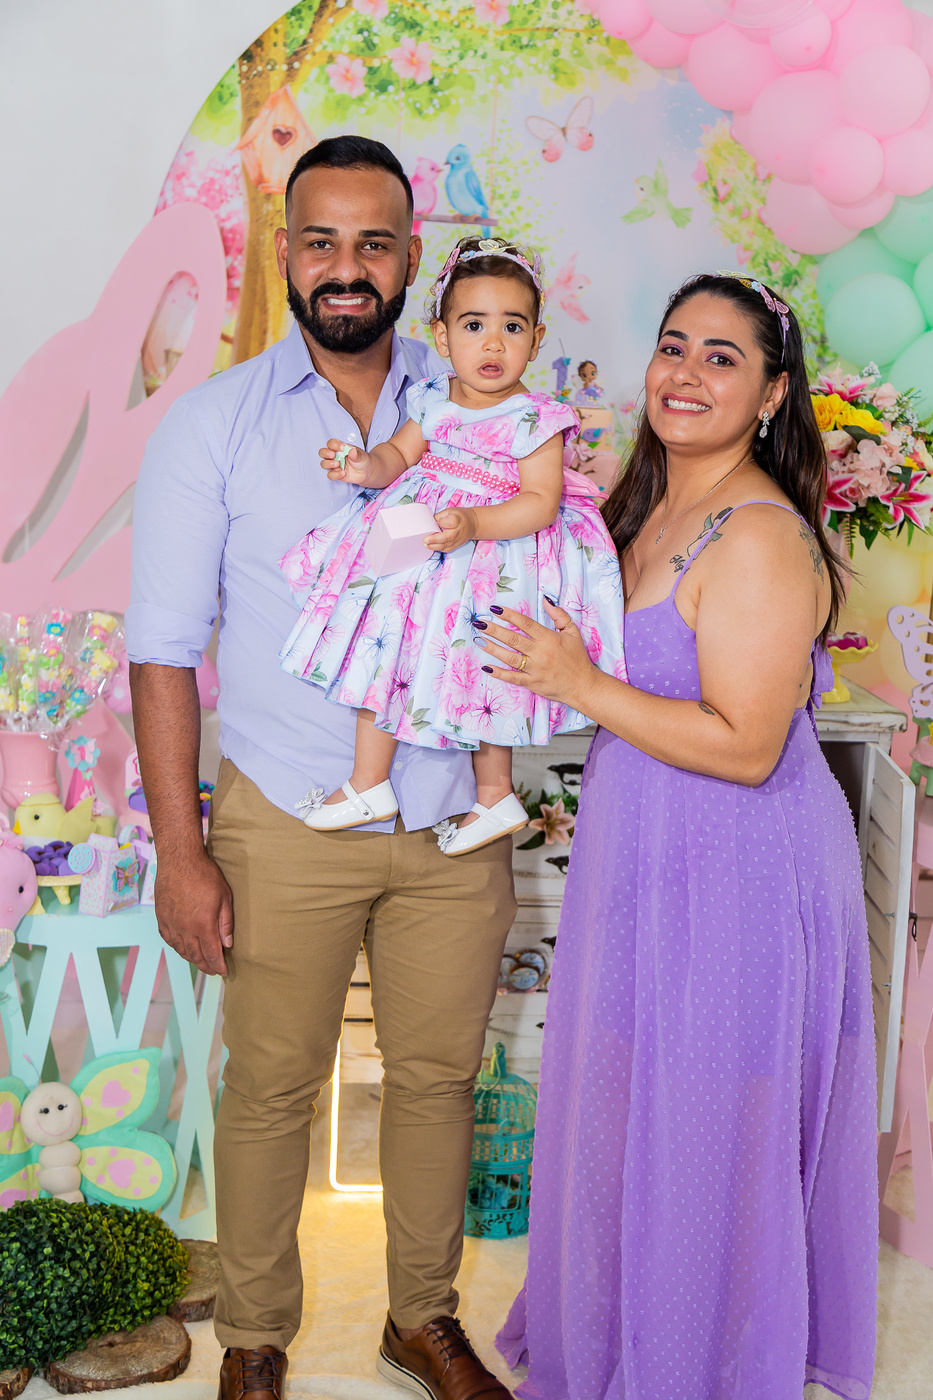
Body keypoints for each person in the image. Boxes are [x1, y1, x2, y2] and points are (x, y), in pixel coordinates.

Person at [126, 136, 520, 1400]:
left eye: (373, 242)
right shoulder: (215, 424)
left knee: (439, 1080)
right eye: (320, 240)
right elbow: (163, 651)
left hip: (453, 816)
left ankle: (422, 1319)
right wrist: (181, 850)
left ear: (411, 256)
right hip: (287, 807)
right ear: (285, 252)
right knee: (269, 1087)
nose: (346, 267)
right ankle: (254, 1335)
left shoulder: (480, 400)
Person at [474, 274, 878, 1399]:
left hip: (736, 865)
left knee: (702, 1128)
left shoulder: (759, 535)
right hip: (645, 851)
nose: (685, 374)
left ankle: (698, 1366)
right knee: (628, 1112)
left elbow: (747, 745)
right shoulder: (640, 509)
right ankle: (621, 1338)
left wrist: (580, 682)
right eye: (672, 346)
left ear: (772, 393)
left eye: (721, 357)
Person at [277, 235, 626, 856]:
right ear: (442, 337)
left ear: (536, 341)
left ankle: (494, 794)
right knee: (385, 641)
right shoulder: (433, 397)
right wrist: (364, 465)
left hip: (490, 556)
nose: (493, 344)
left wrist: (474, 522)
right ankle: (368, 781)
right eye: (473, 325)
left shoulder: (536, 418)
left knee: (485, 669)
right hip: (420, 549)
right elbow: (397, 455)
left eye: (512, 326)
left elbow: (540, 501)